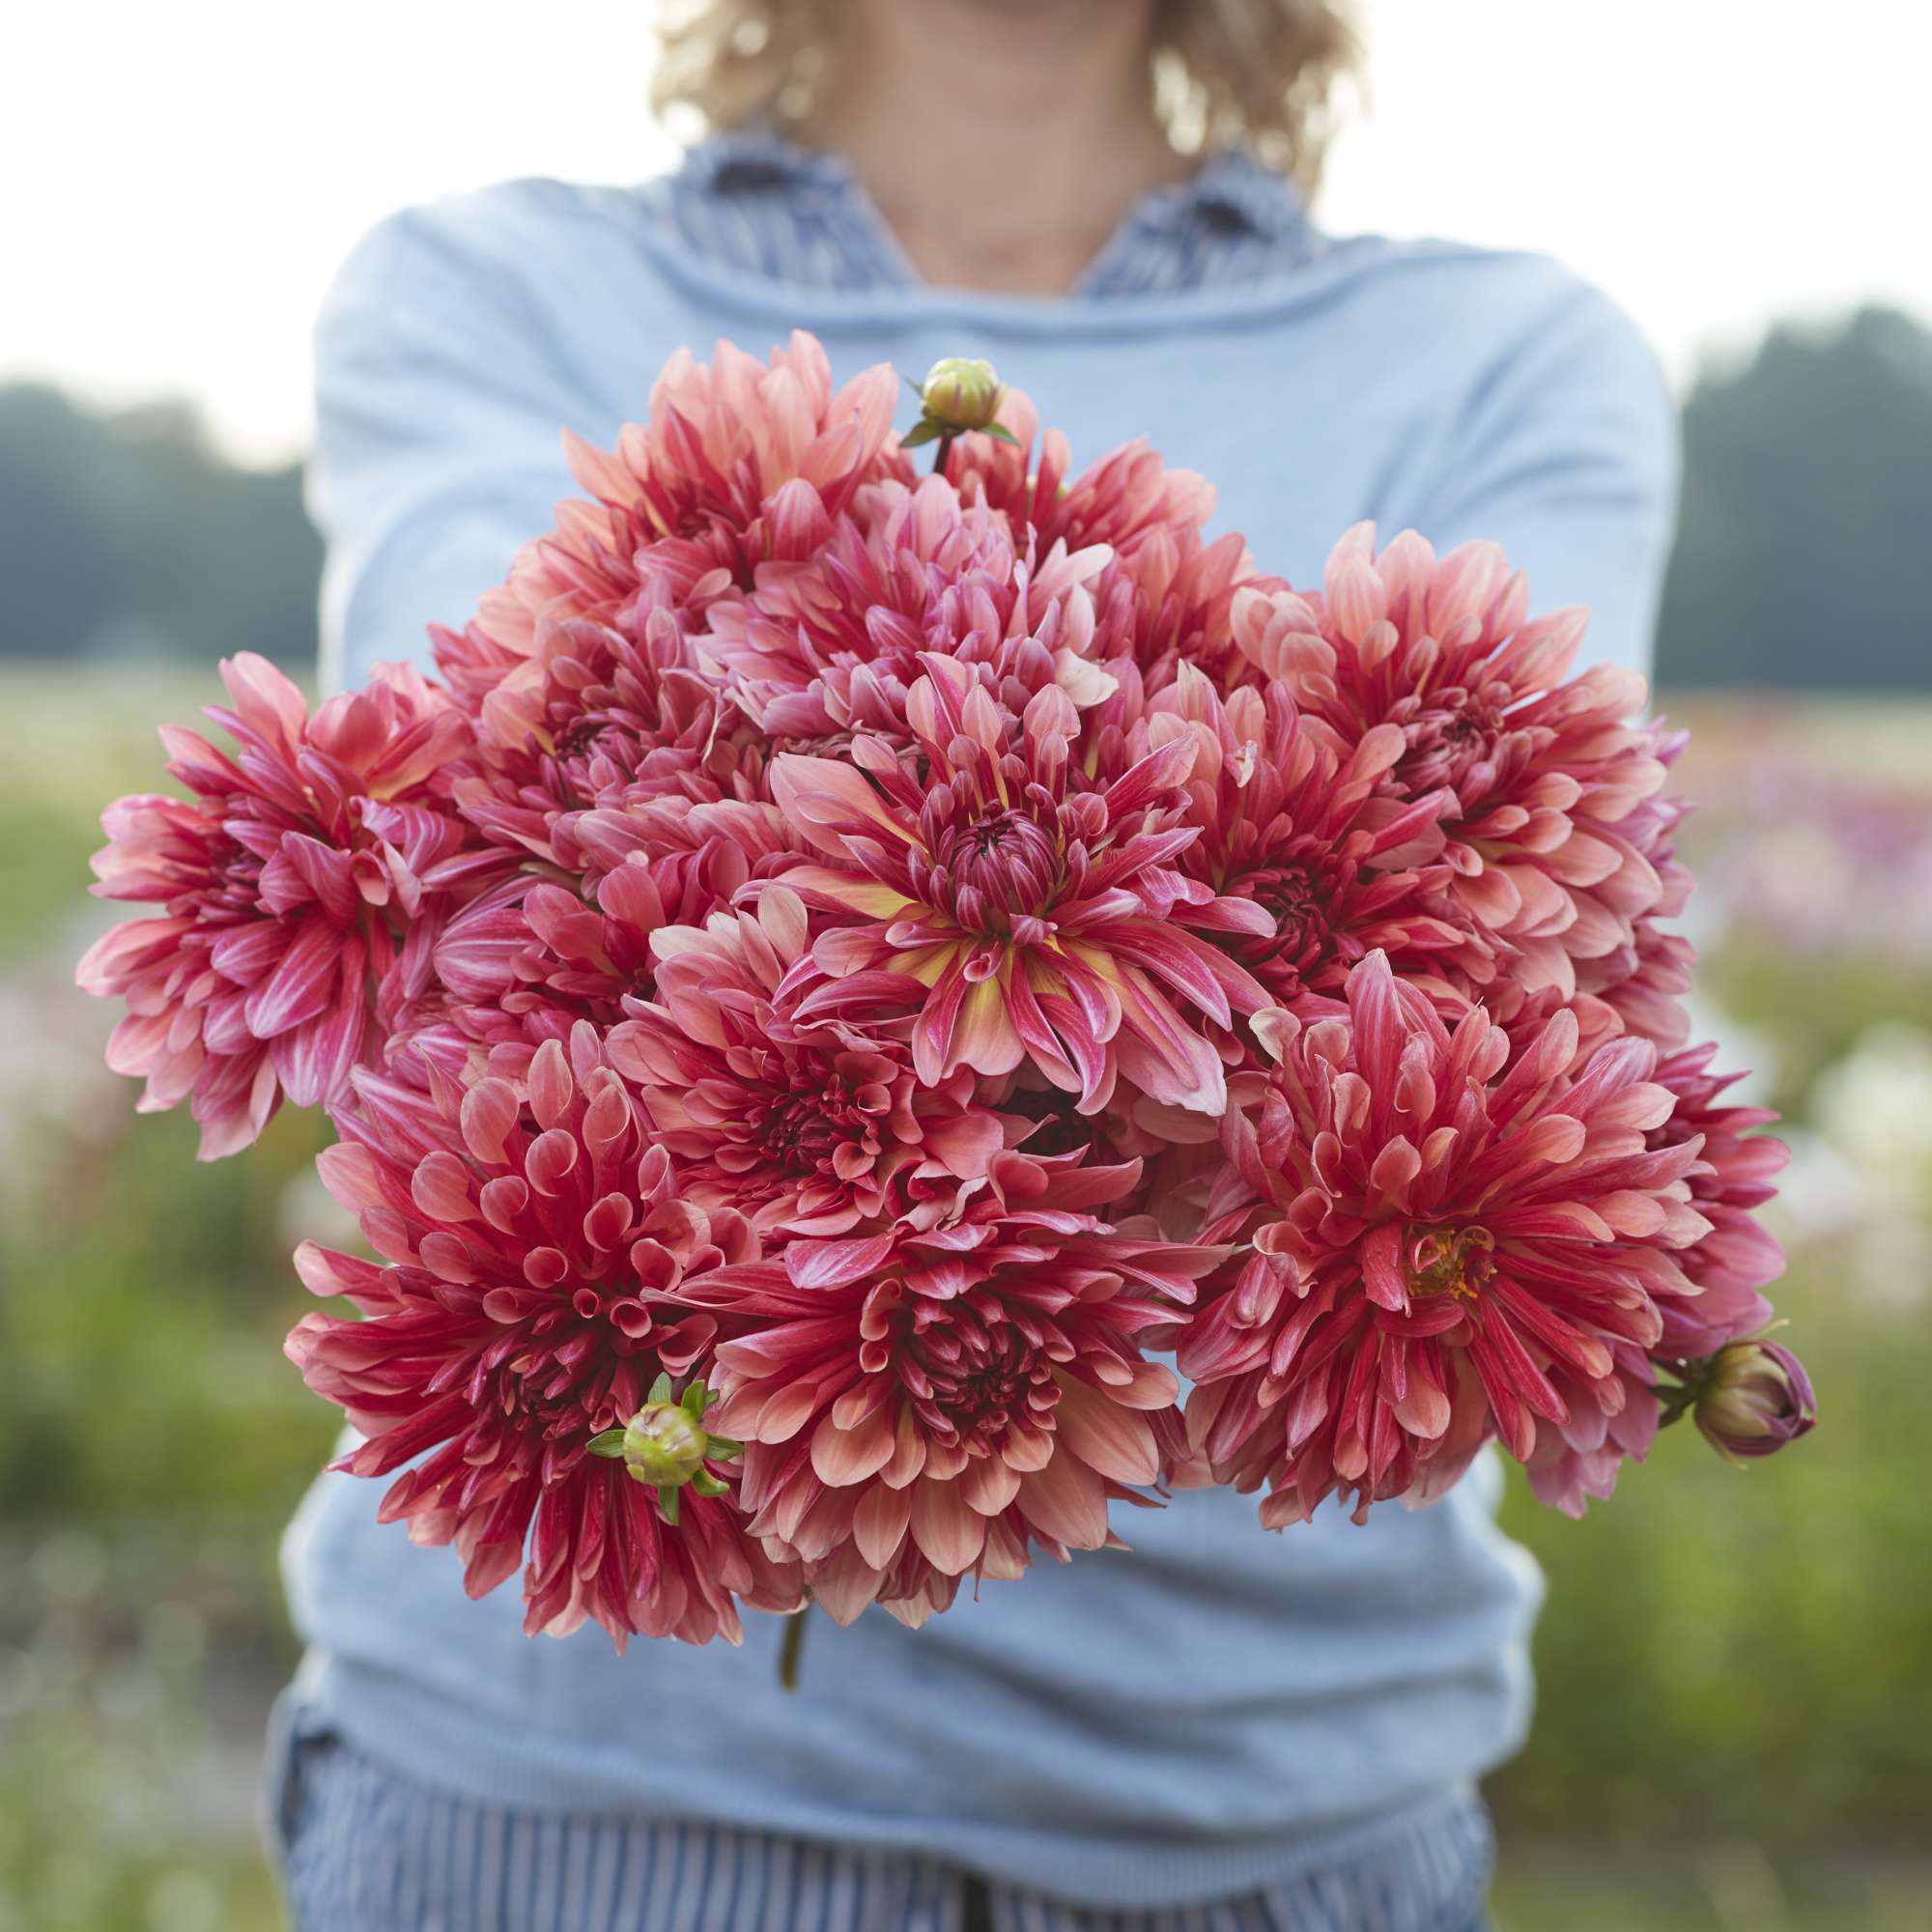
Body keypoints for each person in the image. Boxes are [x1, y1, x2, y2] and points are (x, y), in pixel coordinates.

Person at [270, 2, 1678, 1925]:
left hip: (1259, 1828)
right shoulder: (493, 284)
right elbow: (478, 843)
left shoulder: (1510, 348)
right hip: (581, 1813)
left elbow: (1532, 957)